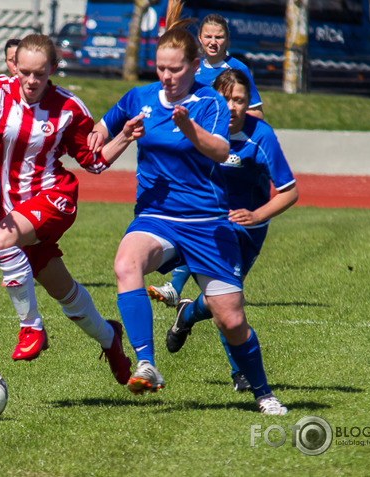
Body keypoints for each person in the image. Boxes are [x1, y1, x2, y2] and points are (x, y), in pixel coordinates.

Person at [91, 1, 288, 414]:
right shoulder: (138, 97)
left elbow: (218, 151)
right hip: (157, 216)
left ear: (195, 66)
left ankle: (263, 393)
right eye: (161, 68)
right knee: (126, 264)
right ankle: (146, 363)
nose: (166, 76)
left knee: (230, 320)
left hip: (205, 221)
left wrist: (188, 128)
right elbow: (101, 140)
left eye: (175, 69)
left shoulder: (210, 103)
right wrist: (109, 135)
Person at [0, 34, 141, 386]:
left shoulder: (69, 108)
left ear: (53, 69)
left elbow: (93, 162)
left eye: (40, 74)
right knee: (64, 293)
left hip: (54, 199)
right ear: (14, 66)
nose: (32, 81)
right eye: (26, 72)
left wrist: (124, 136)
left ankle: (31, 329)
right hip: (15, 211)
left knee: (1, 239)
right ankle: (111, 340)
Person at [149, 68, 298, 394]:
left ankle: (187, 313)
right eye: (226, 99)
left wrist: (256, 215)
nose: (232, 107)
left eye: (240, 100)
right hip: (204, 226)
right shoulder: (196, 127)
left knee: (219, 302)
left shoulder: (262, 136)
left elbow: (289, 191)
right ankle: (240, 373)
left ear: (249, 104)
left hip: (247, 231)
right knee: (227, 303)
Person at [194, 13, 264, 120]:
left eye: (219, 37)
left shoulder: (238, 69)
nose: (213, 42)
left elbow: (257, 113)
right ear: (200, 38)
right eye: (208, 37)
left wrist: (231, 121)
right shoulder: (192, 67)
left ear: (227, 39)